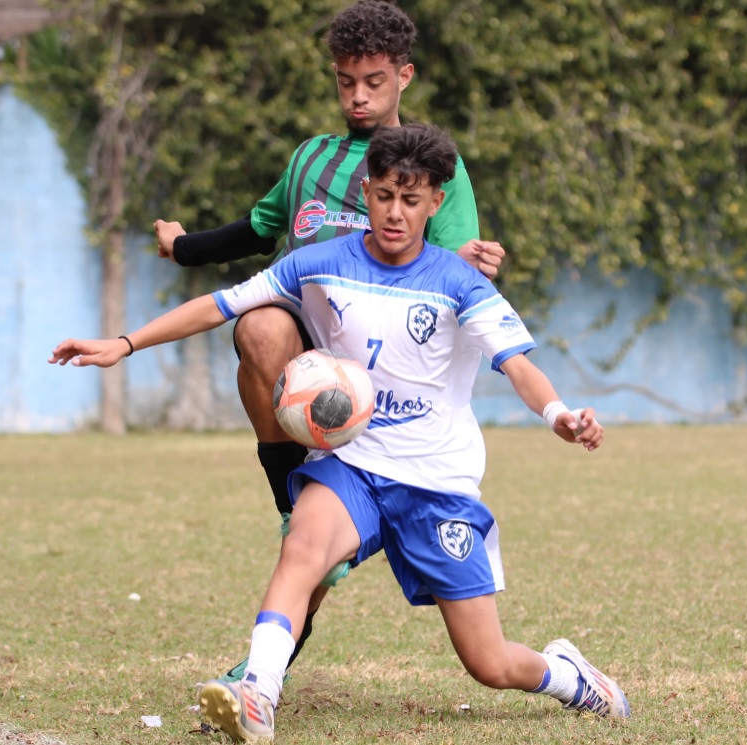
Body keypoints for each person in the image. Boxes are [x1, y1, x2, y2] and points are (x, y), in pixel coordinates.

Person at [50, 123, 630, 742]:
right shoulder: (323, 261)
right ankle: (258, 695)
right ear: (368, 190)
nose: (396, 213)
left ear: (435, 202)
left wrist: (560, 417)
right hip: (355, 465)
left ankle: (568, 675)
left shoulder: (460, 283)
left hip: (436, 480)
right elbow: (223, 303)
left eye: (412, 201)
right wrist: (123, 343)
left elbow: (518, 366)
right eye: (384, 196)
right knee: (302, 549)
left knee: (489, 663)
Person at [151, 0, 504, 683]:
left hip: (390, 374)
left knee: (317, 547)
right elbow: (259, 228)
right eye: (345, 81)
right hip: (310, 364)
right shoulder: (311, 157)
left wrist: (474, 260)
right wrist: (184, 245)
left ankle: (257, 668)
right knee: (259, 325)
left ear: (405, 76)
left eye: (373, 81)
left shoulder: (429, 166)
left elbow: (455, 260)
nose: (358, 95)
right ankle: (286, 503)